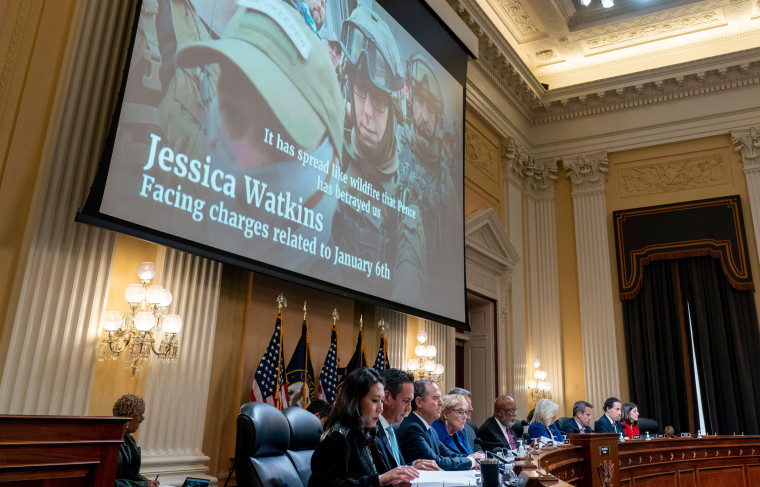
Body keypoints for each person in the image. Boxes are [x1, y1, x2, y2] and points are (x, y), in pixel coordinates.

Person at [330, 6, 425, 302]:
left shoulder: (405, 208)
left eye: (379, 100)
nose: (367, 113)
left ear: (394, 111)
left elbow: (407, 290)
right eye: (360, 90)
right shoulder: (328, 154)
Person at [397, 53, 460, 296]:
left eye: (430, 109)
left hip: (430, 291)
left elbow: (453, 255)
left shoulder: (447, 185)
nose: (424, 116)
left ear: (438, 117)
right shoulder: (395, 144)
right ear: (412, 103)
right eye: (420, 104)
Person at [309, 367, 419, 487]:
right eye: (375, 400)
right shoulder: (338, 437)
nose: (380, 408)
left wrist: (393, 483)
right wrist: (380, 480)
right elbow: (327, 484)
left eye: (382, 401)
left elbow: (377, 477)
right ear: (355, 400)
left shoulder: (368, 433)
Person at [396, 380, 484, 470]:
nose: (441, 403)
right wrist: (471, 461)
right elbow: (436, 462)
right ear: (419, 402)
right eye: (435, 398)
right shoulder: (412, 428)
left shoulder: (430, 429)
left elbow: (449, 454)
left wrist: (473, 457)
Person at [376, 368, 439, 471]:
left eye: (411, 401)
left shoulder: (390, 429)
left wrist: (412, 466)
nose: (409, 408)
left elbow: (394, 468)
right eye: (405, 401)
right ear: (386, 397)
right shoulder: (372, 431)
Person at [113, 393, 160, 487]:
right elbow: (108, 481)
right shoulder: (108, 441)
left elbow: (131, 474)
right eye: (140, 416)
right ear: (130, 415)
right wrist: (143, 485)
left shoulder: (130, 440)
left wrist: (146, 481)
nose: (140, 421)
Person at [448, 387, 480, 452]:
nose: (471, 409)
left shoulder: (471, 428)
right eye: (467, 405)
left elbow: (479, 452)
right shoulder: (445, 431)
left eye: (471, 405)